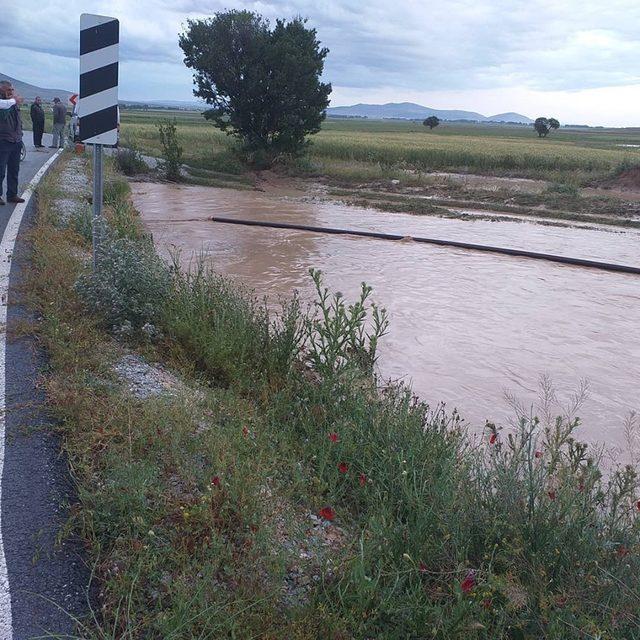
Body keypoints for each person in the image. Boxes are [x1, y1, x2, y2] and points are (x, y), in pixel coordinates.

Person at [0, 80, 25, 205]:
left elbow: (18, 120)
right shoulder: (3, 104)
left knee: (14, 170)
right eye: (8, 90)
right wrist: (12, 102)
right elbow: (3, 115)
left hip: (16, 141)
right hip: (3, 141)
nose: (11, 92)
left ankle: (12, 194)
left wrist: (20, 136)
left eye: (12, 90)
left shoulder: (13, 103)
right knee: (0, 170)